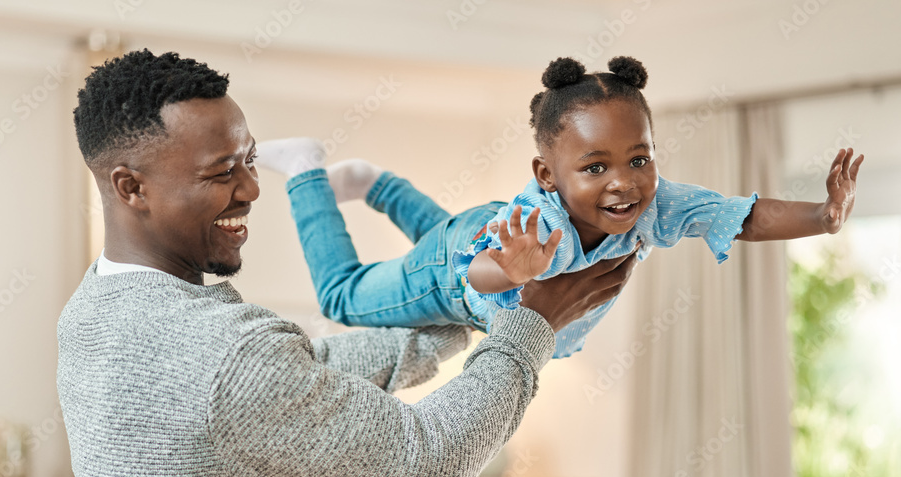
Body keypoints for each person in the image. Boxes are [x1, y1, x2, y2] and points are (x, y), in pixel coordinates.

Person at [56, 49, 637, 477]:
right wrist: (531, 322)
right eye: (221, 172)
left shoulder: (92, 311)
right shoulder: (227, 356)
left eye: (251, 161)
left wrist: (465, 312)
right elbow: (426, 460)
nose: (253, 189)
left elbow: (296, 376)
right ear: (131, 187)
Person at [258, 56, 864, 358]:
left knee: (449, 228)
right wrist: (512, 271)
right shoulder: (541, 221)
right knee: (343, 297)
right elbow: (476, 269)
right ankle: (309, 172)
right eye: (595, 167)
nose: (624, 184)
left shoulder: (657, 202)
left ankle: (377, 183)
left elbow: (742, 215)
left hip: (487, 231)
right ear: (547, 174)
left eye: (639, 159)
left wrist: (822, 217)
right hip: (460, 267)